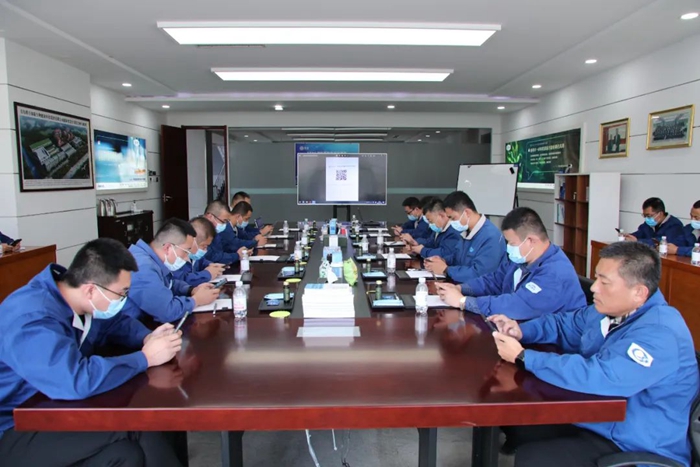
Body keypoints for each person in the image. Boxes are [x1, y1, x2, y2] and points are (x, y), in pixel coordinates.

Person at [490, 241, 698, 467]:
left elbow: (603, 375)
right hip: (599, 420)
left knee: (535, 458)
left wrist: (525, 357)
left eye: (604, 282)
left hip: (634, 443)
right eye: (596, 278)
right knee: (522, 424)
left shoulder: (660, 333)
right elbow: (565, 324)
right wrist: (522, 330)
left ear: (639, 292)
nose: (594, 288)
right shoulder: (609, 312)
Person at [0, 238, 184, 466]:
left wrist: (147, 337)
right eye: (122, 293)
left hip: (47, 406)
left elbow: (113, 323)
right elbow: (75, 379)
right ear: (90, 290)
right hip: (12, 426)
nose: (124, 300)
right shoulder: (32, 319)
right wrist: (145, 358)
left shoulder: (72, 297)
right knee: (139, 424)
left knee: (126, 455)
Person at [436, 207, 586, 320]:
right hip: (518, 328)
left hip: (553, 346)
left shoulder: (555, 272)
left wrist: (463, 301)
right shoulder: (522, 258)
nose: (508, 248)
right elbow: (494, 280)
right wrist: (461, 288)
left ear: (531, 241)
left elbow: (517, 305)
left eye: (512, 243)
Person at [125, 218, 220, 323]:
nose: (186, 258)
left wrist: (192, 290)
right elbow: (166, 311)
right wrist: (196, 300)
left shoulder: (153, 260)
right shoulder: (142, 267)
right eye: (186, 252)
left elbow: (169, 283)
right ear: (168, 248)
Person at [424, 191, 505, 282]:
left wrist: (446, 269)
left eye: (453, 218)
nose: (451, 222)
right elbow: (457, 257)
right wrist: (442, 260)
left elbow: (479, 274)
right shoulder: (466, 231)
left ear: (467, 213)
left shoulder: (490, 236)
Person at [173, 216, 226, 286]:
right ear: (193, 240)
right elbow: (181, 280)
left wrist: (211, 266)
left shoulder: (193, 255)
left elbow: (201, 261)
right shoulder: (176, 256)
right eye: (204, 246)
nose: (205, 250)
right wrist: (207, 274)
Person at [203, 201, 248, 265]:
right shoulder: (199, 232)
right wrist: (237, 255)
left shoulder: (215, 231)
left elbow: (225, 247)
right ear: (210, 216)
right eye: (223, 221)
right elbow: (213, 257)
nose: (225, 225)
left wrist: (240, 251)